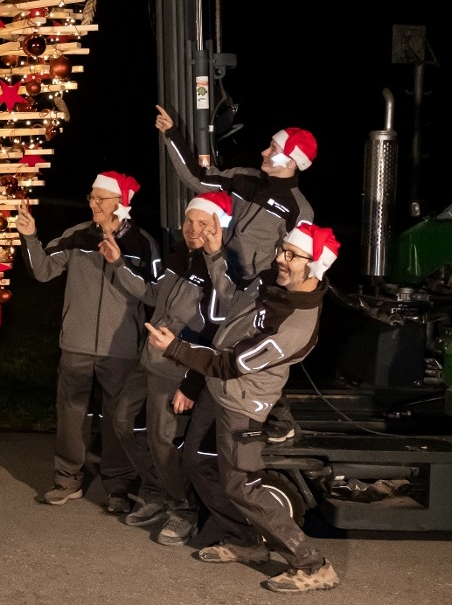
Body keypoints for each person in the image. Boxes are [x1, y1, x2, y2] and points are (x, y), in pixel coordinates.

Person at [144, 223, 342, 594]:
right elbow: (229, 300)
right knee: (195, 460)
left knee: (243, 486)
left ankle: (312, 564)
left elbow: (229, 363)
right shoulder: (273, 280)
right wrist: (216, 255)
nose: (280, 259)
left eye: (291, 255)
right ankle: (243, 540)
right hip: (218, 391)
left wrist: (176, 350)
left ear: (314, 267)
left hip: (242, 404)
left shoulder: (295, 327)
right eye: (282, 250)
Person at [155, 105, 316, 444]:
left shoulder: (300, 209)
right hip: (220, 272)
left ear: (290, 160)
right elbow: (197, 179)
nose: (264, 151)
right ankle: (205, 405)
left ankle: (277, 418)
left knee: (247, 348)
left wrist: (277, 298)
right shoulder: (245, 178)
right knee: (217, 337)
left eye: (272, 148)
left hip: (255, 293)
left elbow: (298, 260)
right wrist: (173, 136)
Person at [16, 170, 160, 511]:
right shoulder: (76, 235)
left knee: (117, 417)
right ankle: (67, 480)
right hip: (76, 342)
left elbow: (154, 295)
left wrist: (120, 262)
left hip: (120, 347)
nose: (93, 203)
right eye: (91, 197)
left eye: (100, 198)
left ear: (121, 202)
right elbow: (43, 271)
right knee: (70, 412)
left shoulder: (143, 243)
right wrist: (31, 237)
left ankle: (119, 486)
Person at [101, 190, 236, 546]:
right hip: (149, 361)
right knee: (121, 422)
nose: (193, 229)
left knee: (163, 440)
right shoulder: (180, 258)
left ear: (218, 227)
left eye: (203, 224)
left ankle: (184, 508)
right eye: (189, 221)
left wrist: (192, 385)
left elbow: (215, 333)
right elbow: (151, 296)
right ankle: (157, 492)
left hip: (177, 369)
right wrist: (118, 264)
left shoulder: (219, 273)